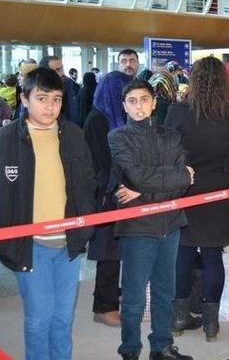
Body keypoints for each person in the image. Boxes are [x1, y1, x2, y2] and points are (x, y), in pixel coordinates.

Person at [0, 67, 96, 360]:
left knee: (63, 319)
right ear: (24, 99)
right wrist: (3, 238)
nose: (50, 107)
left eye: (56, 99)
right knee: (40, 319)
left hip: (69, 245)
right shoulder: (1, 143)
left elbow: (89, 184)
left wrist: (84, 226)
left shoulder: (75, 136)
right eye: (42, 98)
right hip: (30, 246)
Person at [108, 79, 195, 360]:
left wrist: (144, 188)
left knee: (164, 292)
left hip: (170, 224)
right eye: (132, 101)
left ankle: (161, 346)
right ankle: (130, 351)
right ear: (124, 106)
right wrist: (174, 177)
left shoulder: (171, 135)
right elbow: (136, 175)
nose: (139, 106)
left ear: (154, 102)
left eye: (144, 99)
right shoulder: (118, 137)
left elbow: (184, 182)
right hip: (138, 227)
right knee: (133, 297)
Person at [164, 57, 229, 342]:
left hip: (185, 190)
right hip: (219, 191)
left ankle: (178, 316)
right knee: (213, 256)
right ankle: (211, 324)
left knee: (182, 255)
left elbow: (168, 151)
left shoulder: (178, 111)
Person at [83, 71, 132, 328]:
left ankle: (111, 298)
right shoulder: (97, 120)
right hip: (106, 194)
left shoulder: (114, 117)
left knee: (117, 250)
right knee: (108, 252)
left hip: (118, 191)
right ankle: (104, 306)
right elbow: (103, 162)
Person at [40, 55, 81, 126]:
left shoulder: (69, 84)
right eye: (57, 70)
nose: (62, 73)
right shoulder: (37, 96)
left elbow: (73, 113)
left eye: (62, 69)